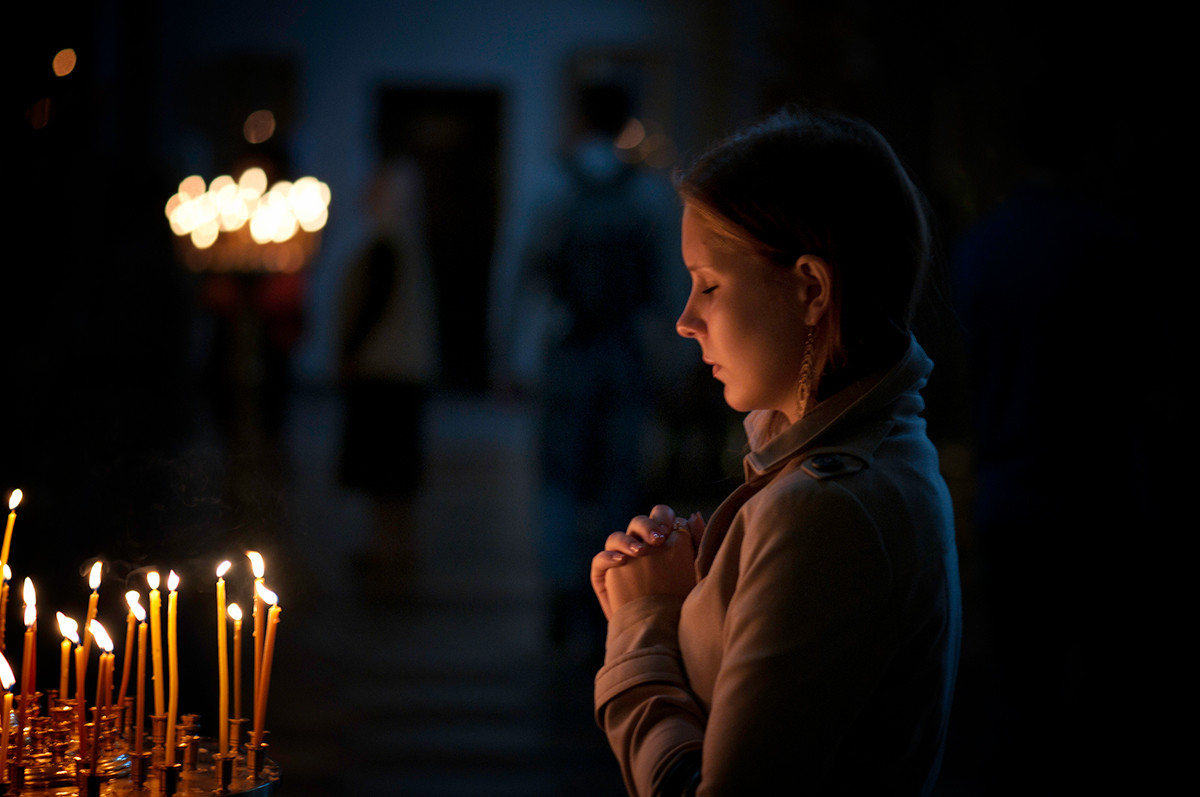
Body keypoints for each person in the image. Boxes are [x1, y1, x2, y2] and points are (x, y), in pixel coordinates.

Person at [590, 107, 962, 796]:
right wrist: (711, 584)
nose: (685, 318)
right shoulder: (845, 464)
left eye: (709, 284)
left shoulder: (827, 509)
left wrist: (644, 625)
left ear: (811, 290)